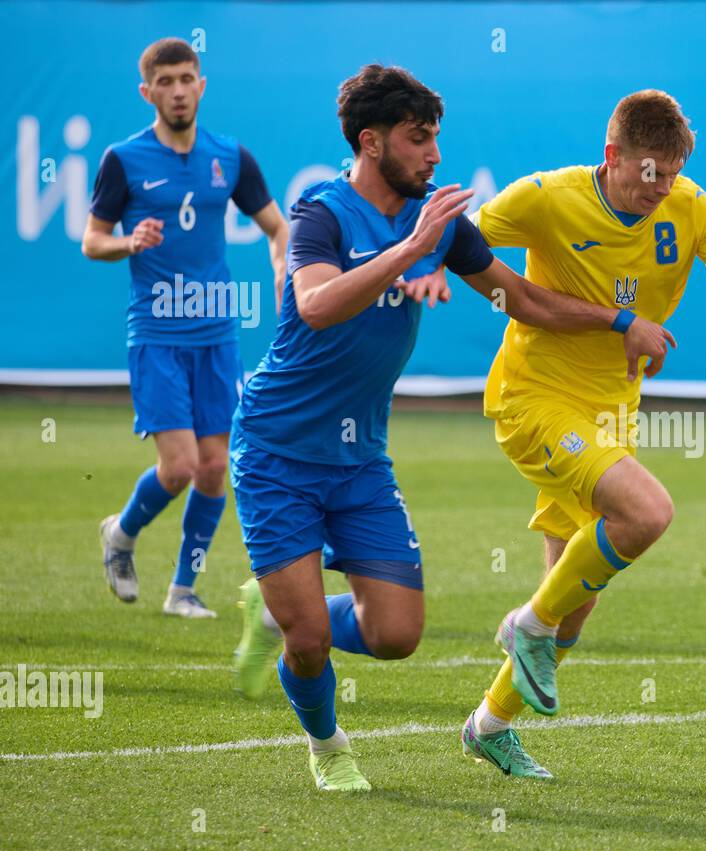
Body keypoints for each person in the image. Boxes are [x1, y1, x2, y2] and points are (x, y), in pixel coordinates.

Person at [227, 65, 670, 792]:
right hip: (276, 449)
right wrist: (408, 251)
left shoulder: (438, 221)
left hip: (360, 457)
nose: (434, 154)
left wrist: (621, 319)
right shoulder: (323, 213)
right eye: (418, 138)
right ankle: (329, 744)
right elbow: (314, 305)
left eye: (436, 138)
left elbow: (522, 297)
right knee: (307, 640)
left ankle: (273, 603)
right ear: (371, 144)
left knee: (397, 635)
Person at [460, 89, 706, 779]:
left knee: (574, 611)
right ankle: (525, 622)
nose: (660, 189)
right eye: (649, 173)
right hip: (534, 399)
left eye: (671, 175)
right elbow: (457, 243)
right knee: (647, 512)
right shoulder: (546, 198)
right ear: (612, 155)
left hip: (610, 415)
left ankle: (488, 724)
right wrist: (417, 277)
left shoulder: (692, 206)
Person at [84, 37, 287, 618]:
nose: (177, 91)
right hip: (157, 332)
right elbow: (92, 240)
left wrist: (280, 272)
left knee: (216, 466)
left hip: (217, 333)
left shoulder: (231, 157)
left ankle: (183, 589)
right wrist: (128, 241)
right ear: (147, 92)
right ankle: (121, 534)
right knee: (179, 469)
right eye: (165, 82)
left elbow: (277, 228)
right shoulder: (123, 160)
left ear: (201, 85)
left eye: (186, 78)